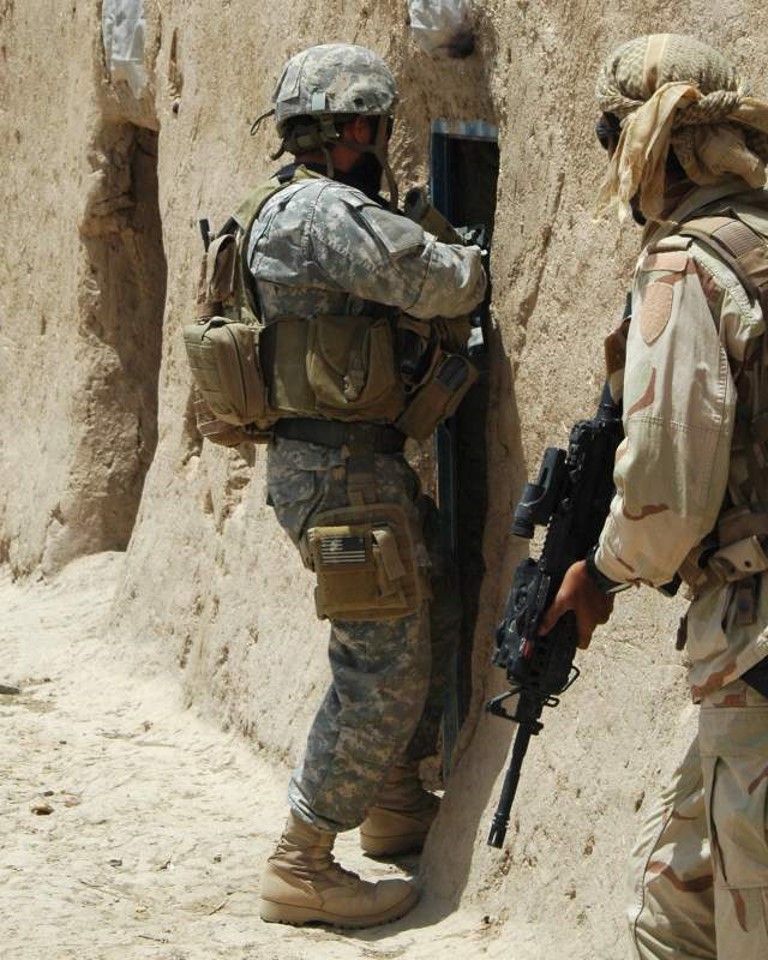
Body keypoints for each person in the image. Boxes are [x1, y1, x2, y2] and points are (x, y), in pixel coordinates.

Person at [245, 44, 487, 928]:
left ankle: (393, 805)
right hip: (342, 470)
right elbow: (440, 283)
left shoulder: (290, 205)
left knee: (430, 604)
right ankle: (302, 860)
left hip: (348, 465)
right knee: (380, 667)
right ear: (341, 128)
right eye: (370, 124)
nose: (378, 138)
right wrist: (473, 258)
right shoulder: (322, 211)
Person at [541, 34, 768, 959]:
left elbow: (668, 492)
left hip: (755, 651)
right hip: (745, 671)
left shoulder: (689, 267)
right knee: (676, 913)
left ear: (649, 144)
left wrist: (598, 571)